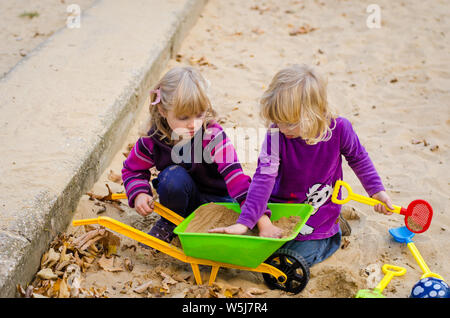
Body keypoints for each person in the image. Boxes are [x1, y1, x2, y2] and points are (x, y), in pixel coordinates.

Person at [209, 64, 394, 267]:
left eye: (289, 123)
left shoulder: (339, 128)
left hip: (318, 210)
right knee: (256, 249)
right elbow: (264, 177)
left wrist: (377, 191)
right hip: (281, 206)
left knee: (287, 261)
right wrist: (245, 223)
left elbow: (358, 158)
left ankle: (332, 232)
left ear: (315, 113)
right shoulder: (276, 135)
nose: (282, 128)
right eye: (277, 121)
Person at [122, 66, 251, 246]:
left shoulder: (211, 134)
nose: (193, 124)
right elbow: (132, 170)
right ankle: (170, 222)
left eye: (199, 115)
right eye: (183, 117)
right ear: (162, 110)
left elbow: (234, 174)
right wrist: (139, 194)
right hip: (179, 203)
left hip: (218, 202)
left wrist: (251, 212)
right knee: (172, 177)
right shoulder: (153, 139)